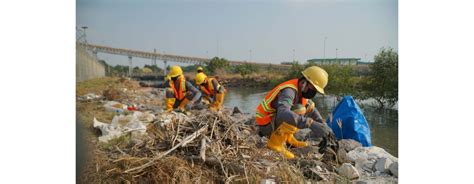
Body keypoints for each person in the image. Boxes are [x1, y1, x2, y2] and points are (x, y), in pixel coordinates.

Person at [255, 66, 335, 159]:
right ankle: (275, 144)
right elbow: (283, 113)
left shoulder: (301, 91)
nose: (313, 92)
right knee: (297, 110)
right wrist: (310, 124)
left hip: (274, 121)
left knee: (306, 107)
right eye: (313, 88)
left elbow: (311, 109)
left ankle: (289, 139)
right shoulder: (289, 91)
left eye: (315, 90)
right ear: (304, 82)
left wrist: (323, 127)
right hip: (266, 125)